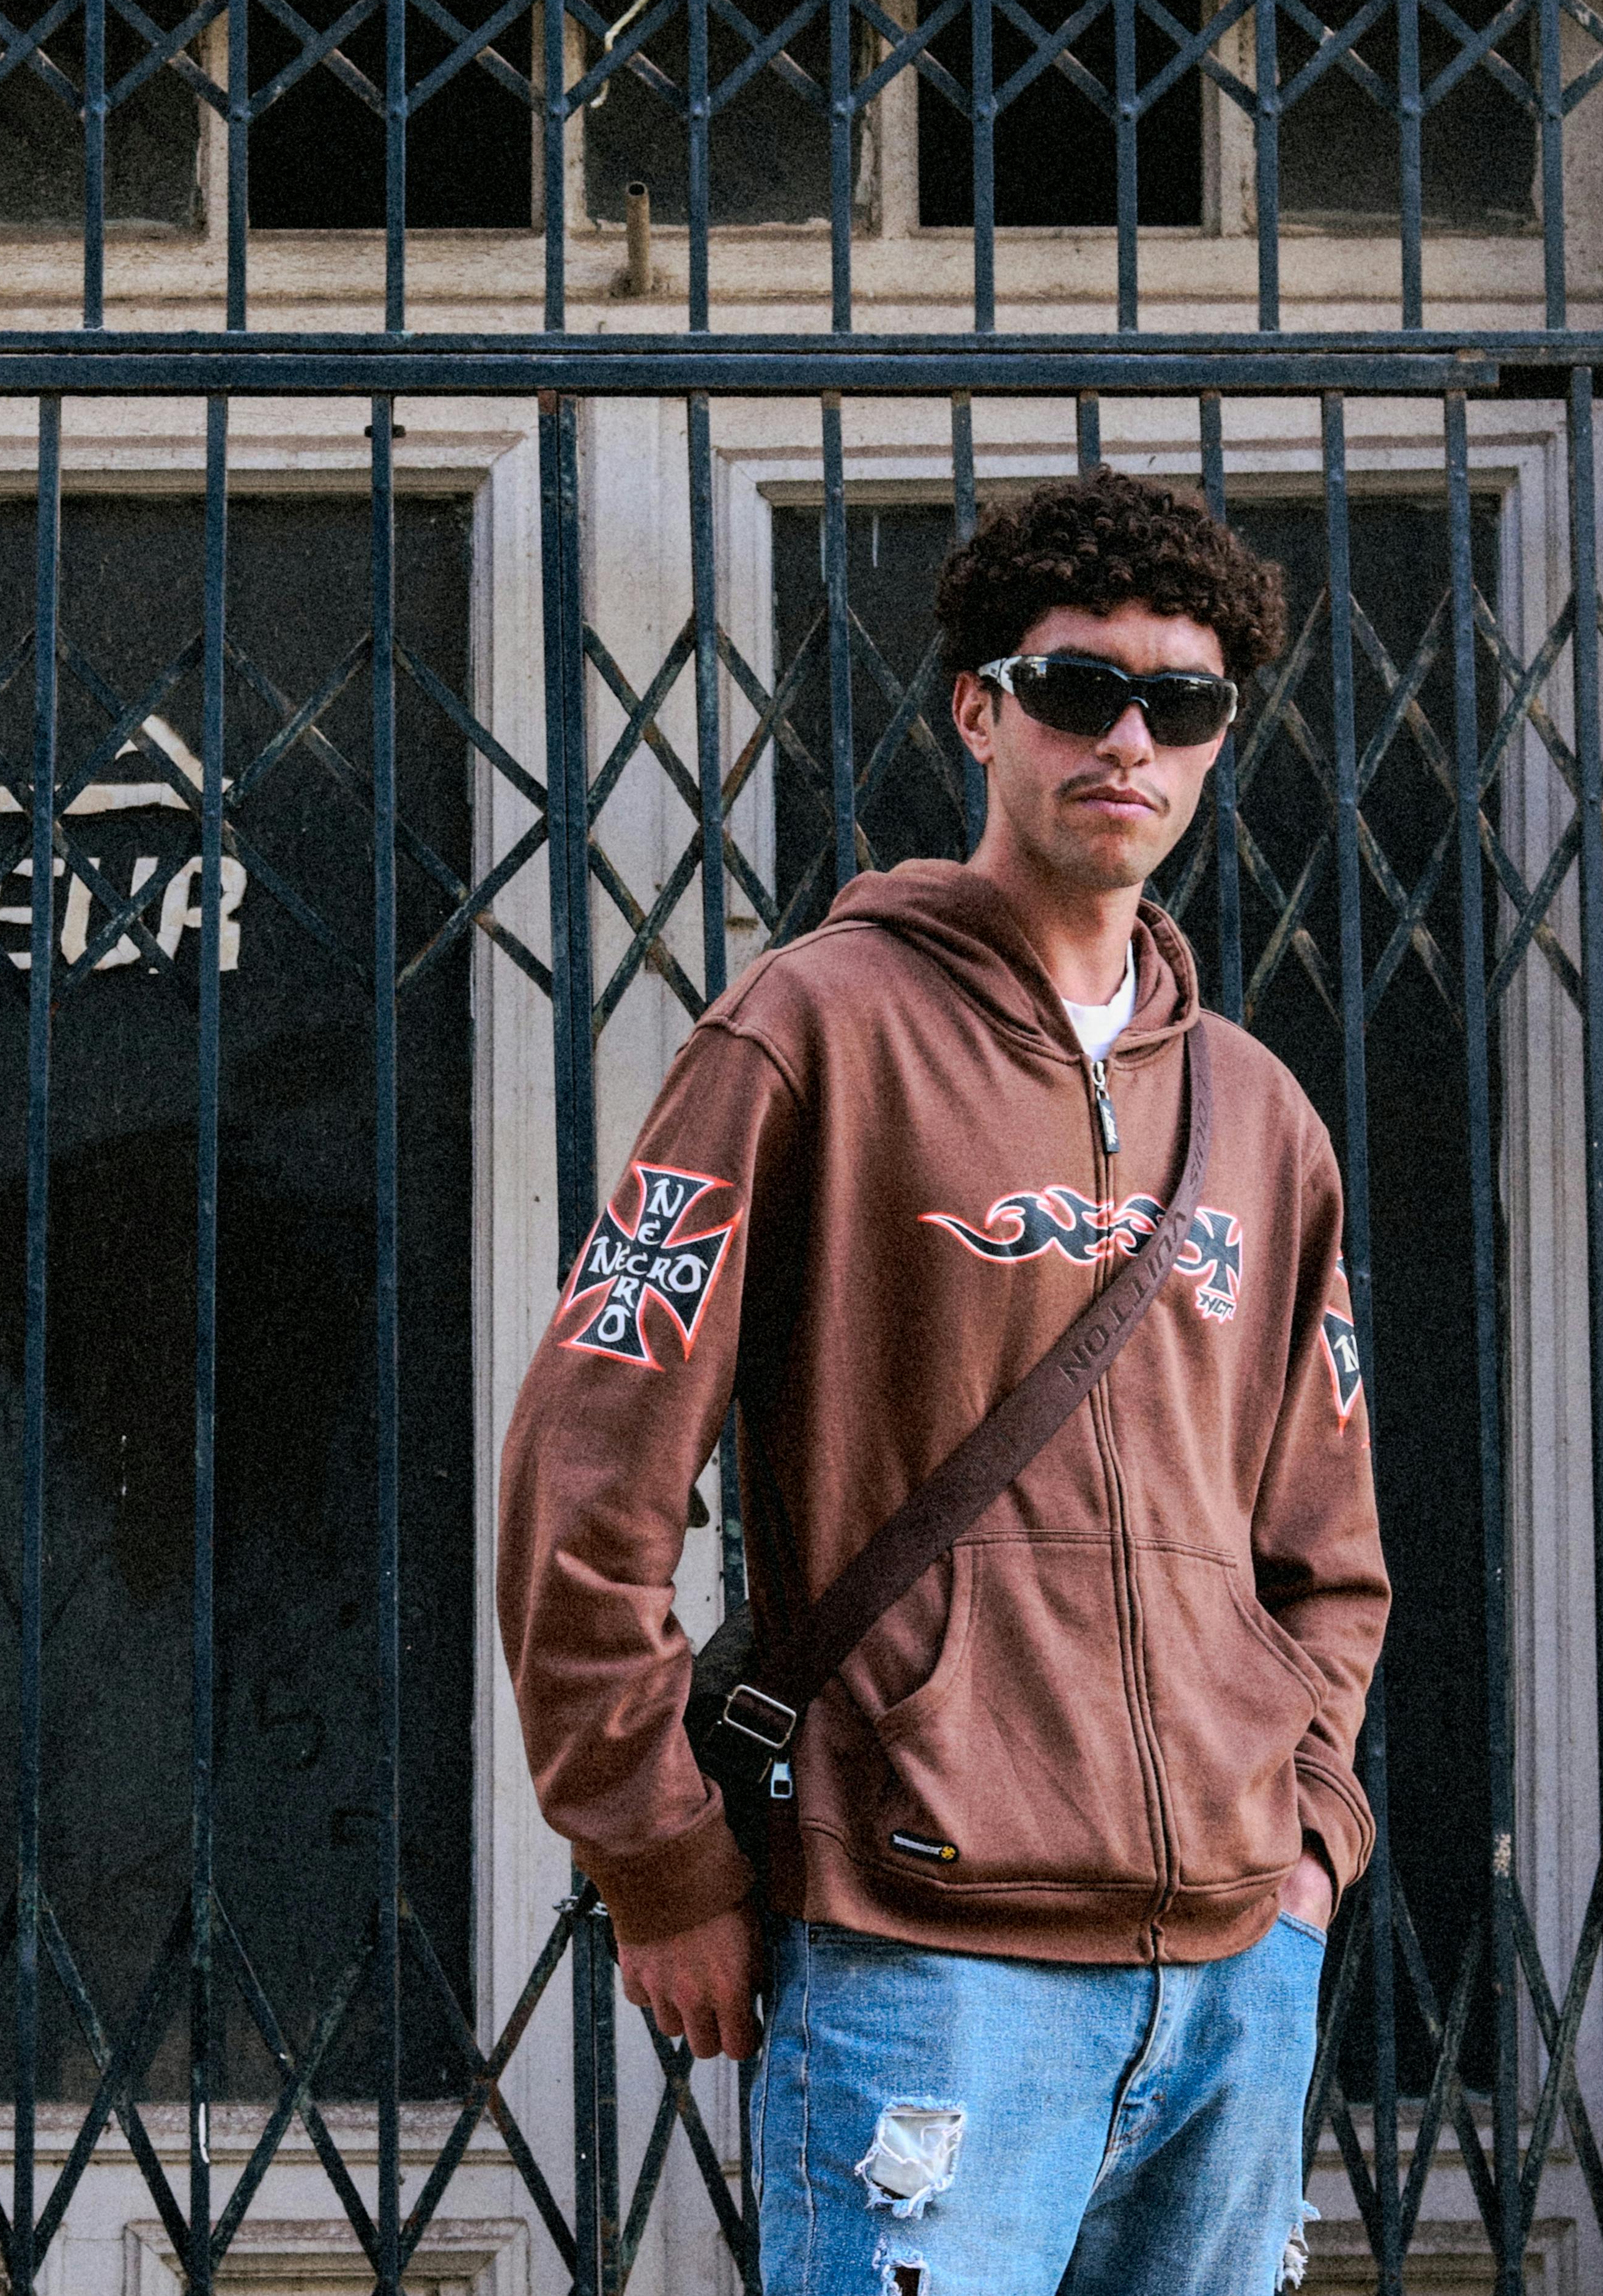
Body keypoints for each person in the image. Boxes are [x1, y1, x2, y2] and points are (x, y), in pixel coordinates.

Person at [496, 469, 1390, 2295]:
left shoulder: (1259, 1113)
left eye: (1182, 699)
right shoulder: (805, 1033)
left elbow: (1322, 1539)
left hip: (1228, 1966)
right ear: (979, 708)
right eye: (1075, 688)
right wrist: (659, 1860)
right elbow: (587, 1473)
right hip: (927, 1951)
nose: (1127, 735)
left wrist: (1304, 1836)